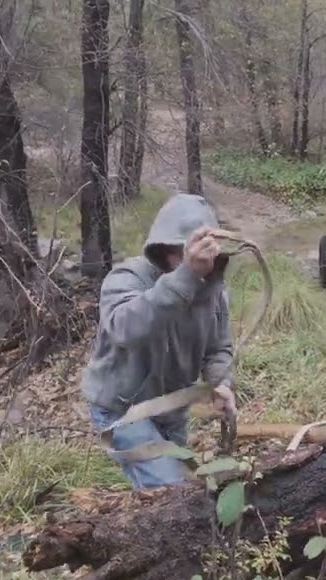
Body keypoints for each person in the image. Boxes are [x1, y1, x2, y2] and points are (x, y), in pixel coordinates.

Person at [81, 193, 236, 489]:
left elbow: (219, 348)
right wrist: (186, 277)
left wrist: (221, 383)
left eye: (204, 255)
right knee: (170, 491)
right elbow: (126, 329)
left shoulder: (213, 292)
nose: (199, 262)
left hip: (171, 409)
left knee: (177, 488)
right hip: (122, 410)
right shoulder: (126, 279)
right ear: (163, 249)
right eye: (186, 253)